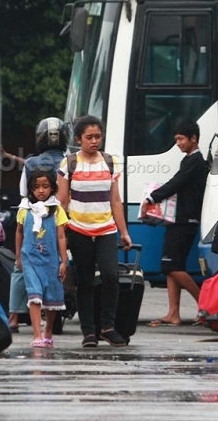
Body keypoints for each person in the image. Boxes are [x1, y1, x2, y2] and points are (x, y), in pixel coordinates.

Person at [57, 115, 132, 348]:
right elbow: (61, 202)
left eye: (98, 136)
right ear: (79, 139)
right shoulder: (69, 163)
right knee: (85, 281)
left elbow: (116, 200)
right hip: (78, 230)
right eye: (89, 137)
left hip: (106, 229)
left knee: (111, 276)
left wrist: (124, 231)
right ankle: (89, 332)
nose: (94, 141)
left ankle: (108, 327)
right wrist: (61, 233)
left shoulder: (109, 162)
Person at [140, 120, 206, 327]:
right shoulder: (189, 160)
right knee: (171, 266)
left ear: (193, 139)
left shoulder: (195, 161)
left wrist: (152, 198)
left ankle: (206, 306)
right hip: (179, 220)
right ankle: (173, 313)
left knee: (173, 266)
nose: (177, 143)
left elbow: (176, 183)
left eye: (180, 139)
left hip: (185, 220)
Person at [9, 117, 70, 331]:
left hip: (34, 220)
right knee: (64, 266)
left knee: (21, 267)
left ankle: (14, 316)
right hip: (64, 220)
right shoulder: (70, 160)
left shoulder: (30, 163)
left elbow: (24, 194)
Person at [15, 169, 68, 348]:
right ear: (30, 189)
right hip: (30, 258)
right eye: (36, 187)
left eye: (45, 186)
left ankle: (48, 330)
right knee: (34, 294)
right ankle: (37, 334)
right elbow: (19, 233)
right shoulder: (24, 209)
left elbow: (61, 236)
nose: (41, 191)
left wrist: (64, 261)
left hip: (51, 259)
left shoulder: (57, 210)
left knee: (52, 296)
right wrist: (18, 257)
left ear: (52, 188)